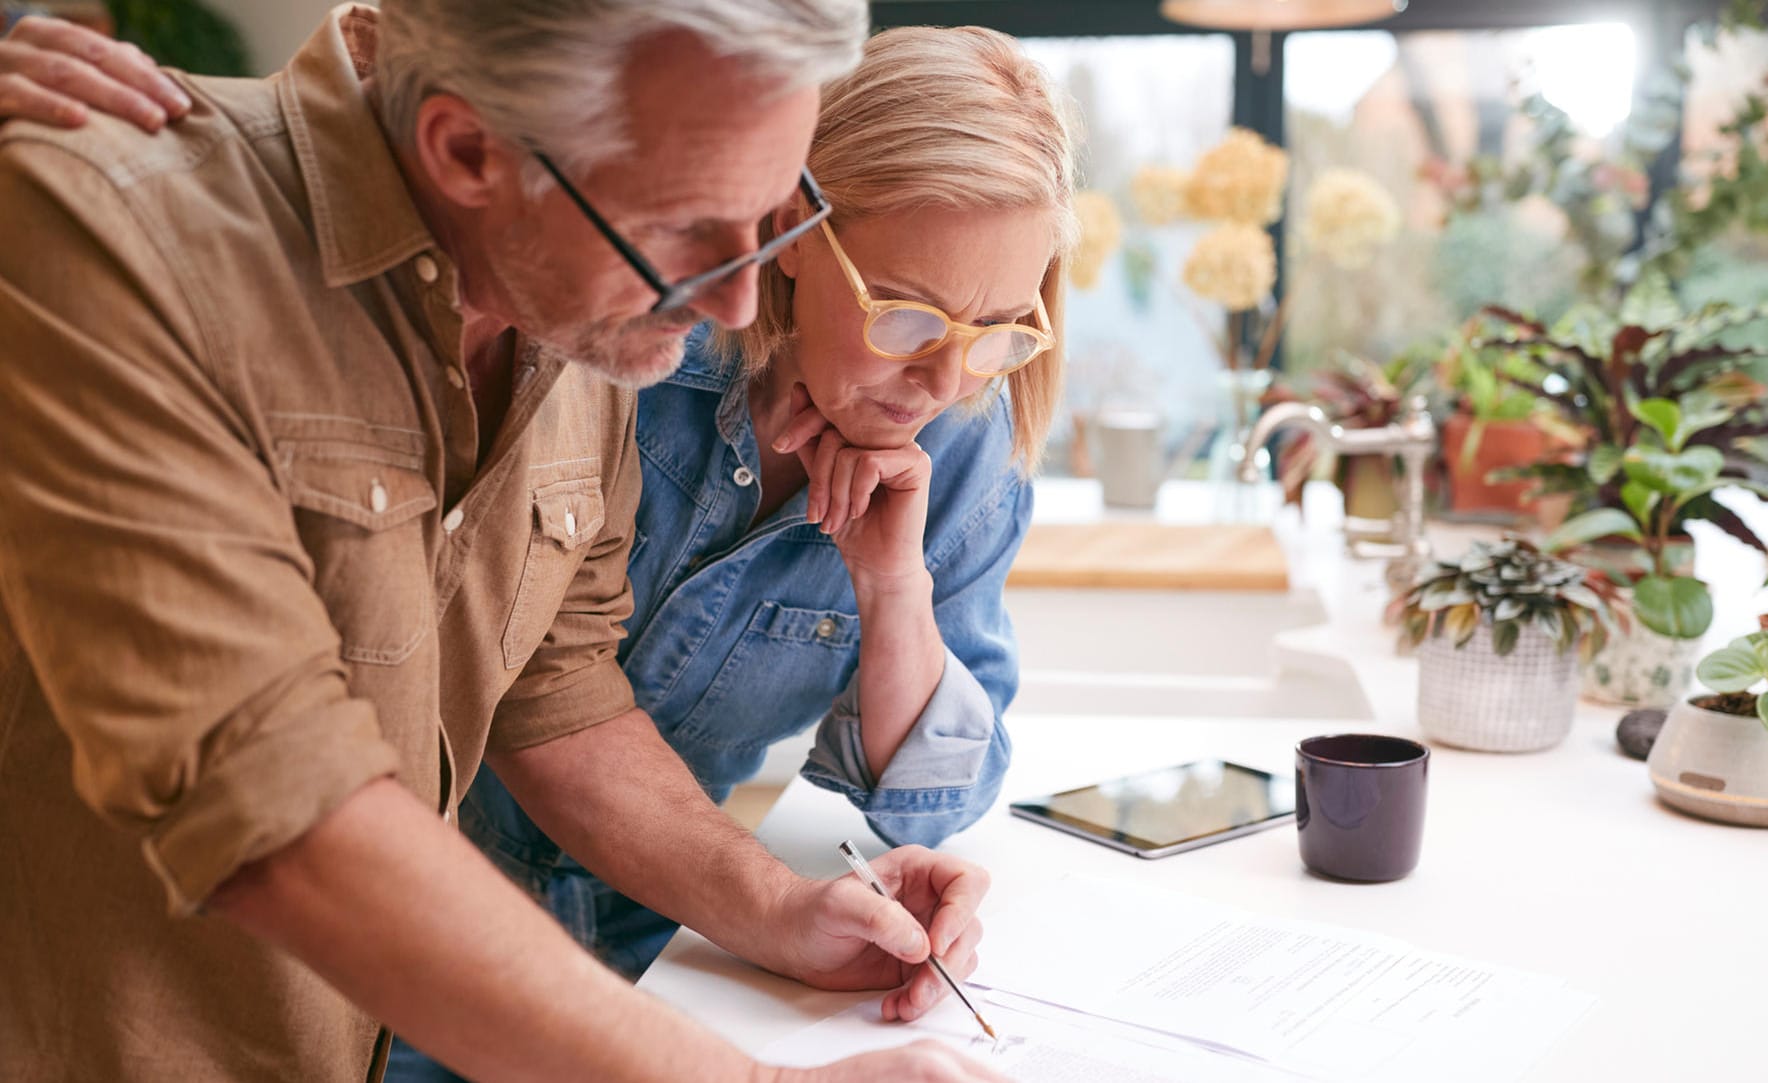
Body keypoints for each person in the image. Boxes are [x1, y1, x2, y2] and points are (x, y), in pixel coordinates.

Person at [1, 15, 1075, 1043]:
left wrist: (778, 908)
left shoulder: (591, 300)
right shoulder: (133, 220)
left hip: (505, 988)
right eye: (902, 309)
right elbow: (270, 805)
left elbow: (556, 691)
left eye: (769, 216)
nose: (736, 303)